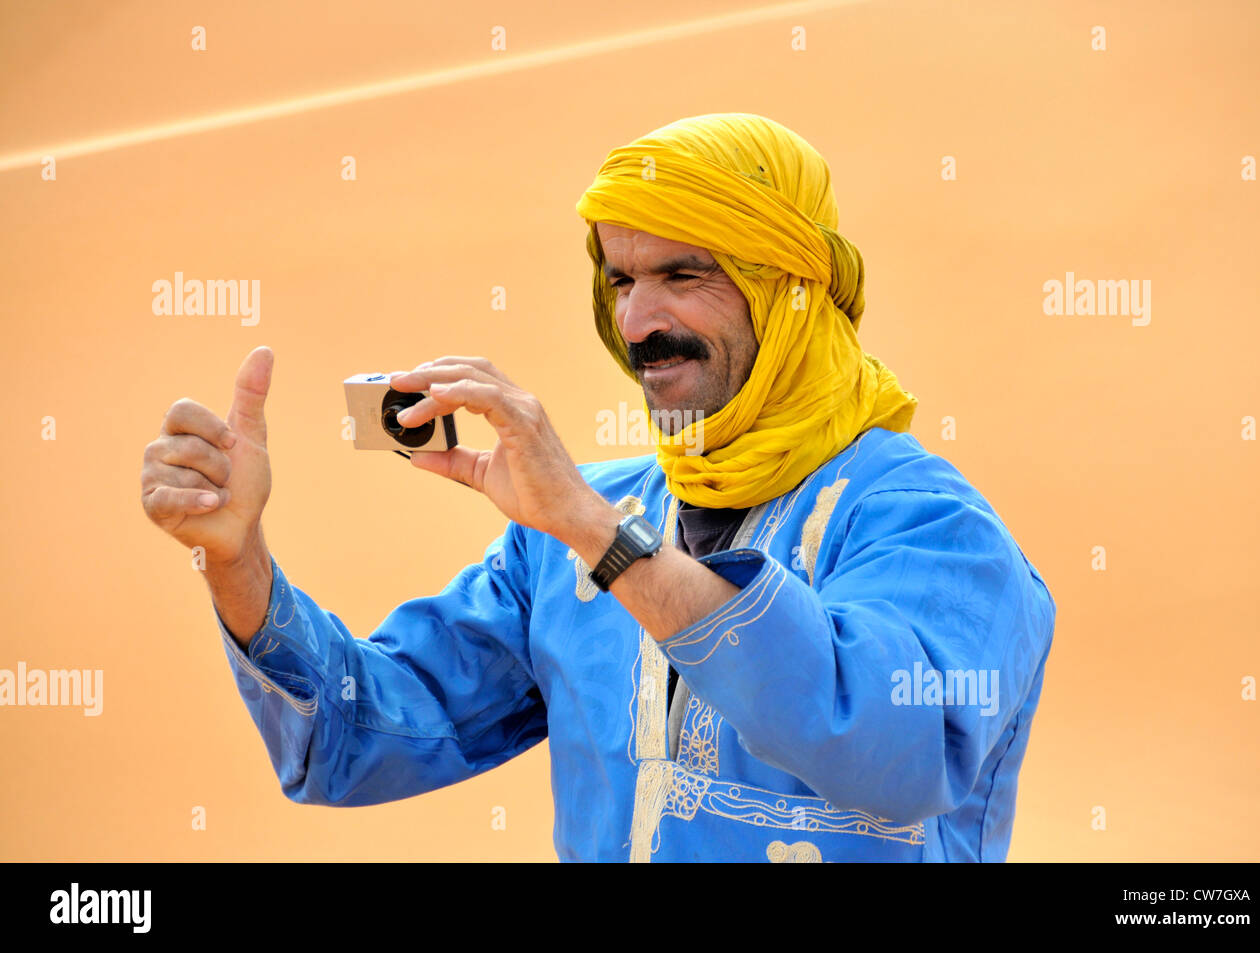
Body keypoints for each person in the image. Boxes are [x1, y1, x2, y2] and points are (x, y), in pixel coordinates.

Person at [140, 113, 1055, 862]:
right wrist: (237, 559)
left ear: (791, 291)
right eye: (619, 280)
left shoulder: (928, 526)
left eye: (681, 275)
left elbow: (893, 749)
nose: (637, 322)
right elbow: (357, 741)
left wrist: (598, 536)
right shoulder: (563, 536)